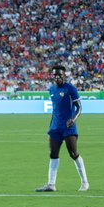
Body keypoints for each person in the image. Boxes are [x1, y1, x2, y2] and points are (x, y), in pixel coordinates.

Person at [35, 64, 89, 192]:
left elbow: (79, 107)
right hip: (55, 128)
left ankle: (85, 182)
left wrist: (73, 119)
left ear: (64, 75)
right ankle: (51, 184)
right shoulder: (52, 90)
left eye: (60, 75)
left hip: (68, 127)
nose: (57, 77)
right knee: (53, 154)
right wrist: (50, 127)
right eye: (55, 75)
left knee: (73, 154)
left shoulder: (70, 89)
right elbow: (54, 110)